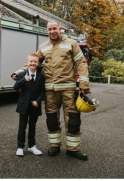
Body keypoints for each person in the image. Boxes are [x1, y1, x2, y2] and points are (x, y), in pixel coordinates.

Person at [14, 22, 91, 160]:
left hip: (68, 89)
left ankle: (73, 149)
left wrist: (84, 85)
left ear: (59, 29)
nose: (52, 31)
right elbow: (32, 62)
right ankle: (54, 146)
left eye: (54, 28)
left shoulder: (71, 44)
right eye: (49, 29)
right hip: (50, 90)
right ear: (47, 31)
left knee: (73, 119)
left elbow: (81, 62)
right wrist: (18, 73)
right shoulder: (43, 47)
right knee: (51, 120)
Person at [14, 54, 45, 157]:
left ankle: (32, 146)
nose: (33, 63)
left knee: (32, 126)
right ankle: (20, 147)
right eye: (31, 61)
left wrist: (38, 101)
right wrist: (24, 80)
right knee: (22, 127)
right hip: (23, 105)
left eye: (35, 61)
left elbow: (43, 91)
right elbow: (15, 87)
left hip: (35, 106)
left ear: (38, 64)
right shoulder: (22, 74)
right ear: (27, 63)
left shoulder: (41, 76)